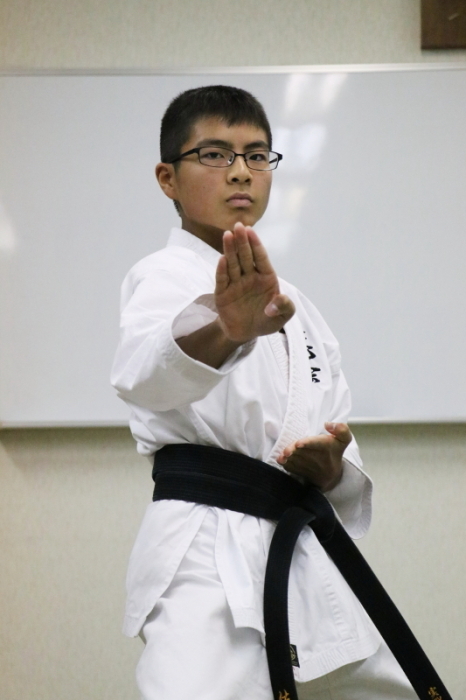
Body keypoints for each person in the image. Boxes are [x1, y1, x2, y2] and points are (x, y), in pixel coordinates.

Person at [111, 85, 417, 700]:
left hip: (298, 545)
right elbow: (142, 372)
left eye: (258, 155)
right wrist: (225, 326)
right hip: (204, 550)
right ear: (167, 178)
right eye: (217, 155)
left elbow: (331, 417)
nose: (242, 173)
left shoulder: (296, 306)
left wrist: (332, 465)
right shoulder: (162, 277)